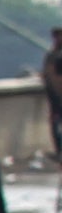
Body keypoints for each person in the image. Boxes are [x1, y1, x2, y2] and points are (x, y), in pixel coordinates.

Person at [42, 27, 62, 162]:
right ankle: (59, 150)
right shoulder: (53, 56)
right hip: (55, 97)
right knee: (55, 123)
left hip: (57, 96)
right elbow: (51, 76)